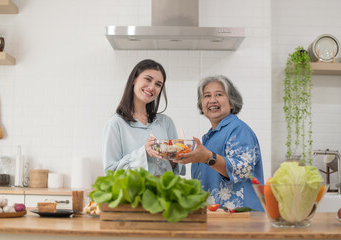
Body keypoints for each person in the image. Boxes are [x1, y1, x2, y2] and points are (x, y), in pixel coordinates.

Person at [175, 75, 264, 211]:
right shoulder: (208, 138)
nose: (212, 100)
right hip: (217, 218)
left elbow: (243, 170)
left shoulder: (238, 130)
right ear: (201, 105)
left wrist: (207, 157)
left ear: (232, 102)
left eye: (219, 94)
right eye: (207, 96)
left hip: (242, 219)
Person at [102, 59, 185, 176]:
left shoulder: (166, 122)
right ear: (134, 80)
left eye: (158, 84)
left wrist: (178, 155)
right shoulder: (115, 124)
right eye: (148, 79)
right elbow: (111, 172)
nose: (152, 87)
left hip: (164, 193)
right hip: (133, 194)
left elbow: (173, 169)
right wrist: (144, 153)